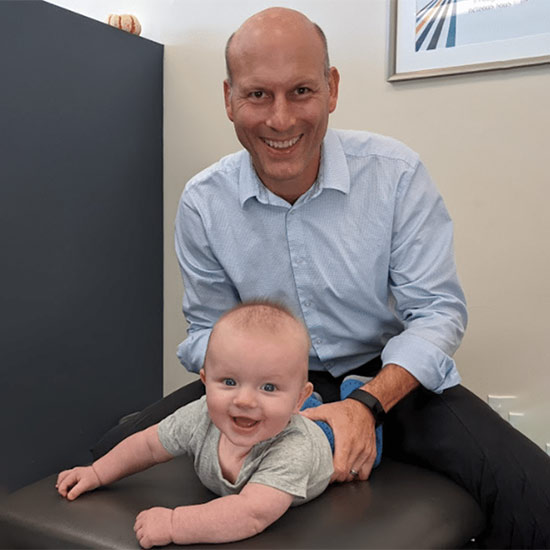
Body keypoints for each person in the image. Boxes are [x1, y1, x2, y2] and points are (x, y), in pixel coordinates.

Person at [92, 7, 550, 548]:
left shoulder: (395, 174)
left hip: (385, 380)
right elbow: (205, 332)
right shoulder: (202, 203)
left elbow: (437, 313)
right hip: (260, 382)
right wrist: (251, 392)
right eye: (258, 94)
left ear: (331, 89)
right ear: (228, 98)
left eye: (302, 91)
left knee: (532, 491)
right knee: (110, 451)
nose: (281, 120)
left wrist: (367, 406)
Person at [58, 301, 335, 548]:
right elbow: (148, 445)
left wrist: (174, 524)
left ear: (298, 398)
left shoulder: (294, 448)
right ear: (205, 382)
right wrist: (96, 472)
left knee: (336, 436)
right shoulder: (201, 415)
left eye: (268, 387)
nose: (245, 400)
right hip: (284, 413)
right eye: (229, 382)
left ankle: (334, 400)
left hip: (322, 439)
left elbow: (251, 513)